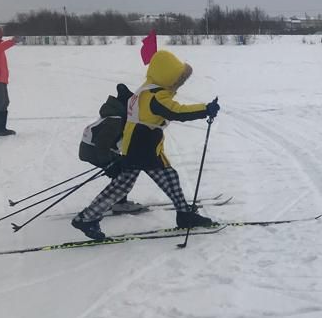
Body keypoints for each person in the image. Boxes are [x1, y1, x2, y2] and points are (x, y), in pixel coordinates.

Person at [71, 49, 219, 240]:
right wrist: (205, 109)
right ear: (167, 76)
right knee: (122, 186)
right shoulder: (155, 96)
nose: (178, 84)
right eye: (176, 79)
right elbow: (176, 112)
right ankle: (86, 218)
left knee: (169, 177)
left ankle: (184, 215)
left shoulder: (145, 90)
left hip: (146, 145)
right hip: (141, 147)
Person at [79, 83, 145, 214]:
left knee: (123, 168)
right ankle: (118, 203)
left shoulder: (115, 115)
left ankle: (118, 201)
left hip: (92, 149)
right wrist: (108, 163)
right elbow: (101, 143)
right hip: (94, 151)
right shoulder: (115, 120)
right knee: (123, 172)